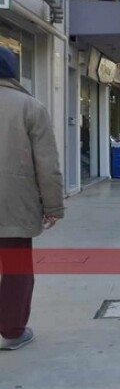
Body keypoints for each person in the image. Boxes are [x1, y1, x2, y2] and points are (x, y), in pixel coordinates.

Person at [0, 47, 64, 351]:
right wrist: (53, 207)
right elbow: (47, 164)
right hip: (14, 206)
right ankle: (11, 331)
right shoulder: (30, 107)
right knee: (16, 270)